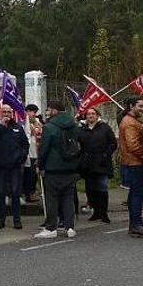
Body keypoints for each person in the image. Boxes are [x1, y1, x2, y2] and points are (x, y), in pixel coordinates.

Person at [34, 101, 80, 239]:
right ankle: (69, 227)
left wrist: (39, 165)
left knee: (52, 199)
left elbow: (44, 149)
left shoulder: (49, 127)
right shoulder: (73, 125)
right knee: (68, 198)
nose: (47, 112)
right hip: (70, 167)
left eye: (48, 110)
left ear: (54, 111)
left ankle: (51, 228)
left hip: (53, 167)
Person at [0, 105, 29, 230]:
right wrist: (1, 127)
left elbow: (24, 145)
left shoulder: (17, 127)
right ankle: (1, 220)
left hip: (15, 166)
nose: (6, 114)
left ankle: (17, 220)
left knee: (15, 193)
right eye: (4, 112)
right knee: (0, 193)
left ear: (12, 114)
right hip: (0, 166)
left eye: (8, 112)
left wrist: (21, 157)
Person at [118, 97, 143, 238]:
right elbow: (133, 145)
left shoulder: (133, 121)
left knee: (136, 193)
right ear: (131, 106)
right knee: (136, 194)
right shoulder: (129, 123)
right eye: (140, 106)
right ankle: (136, 225)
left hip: (136, 162)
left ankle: (135, 224)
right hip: (135, 163)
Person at [77, 107, 117, 224]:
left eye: (93, 114)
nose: (91, 116)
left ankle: (104, 213)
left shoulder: (104, 128)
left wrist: (105, 154)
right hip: (88, 163)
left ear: (97, 115)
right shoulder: (82, 130)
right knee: (90, 189)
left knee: (102, 187)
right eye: (88, 114)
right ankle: (95, 211)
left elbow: (113, 143)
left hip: (102, 163)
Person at [23, 104, 43, 203]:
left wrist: (37, 125)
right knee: (29, 174)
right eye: (32, 112)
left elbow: (41, 131)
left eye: (35, 112)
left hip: (36, 150)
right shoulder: (23, 121)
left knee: (34, 175)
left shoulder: (37, 121)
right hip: (28, 152)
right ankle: (28, 193)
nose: (33, 114)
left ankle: (33, 192)